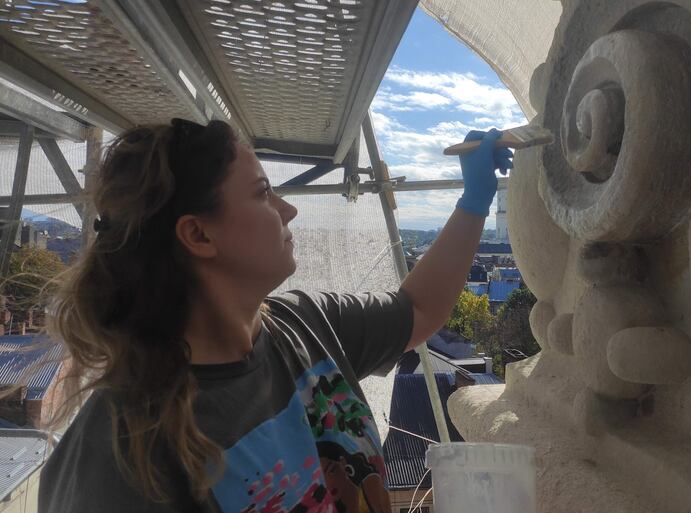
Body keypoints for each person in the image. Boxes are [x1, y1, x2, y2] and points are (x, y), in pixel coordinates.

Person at [38, 118, 512, 513]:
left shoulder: (306, 325)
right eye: (263, 192)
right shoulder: (120, 453)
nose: (288, 210)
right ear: (199, 235)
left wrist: (474, 200)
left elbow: (419, 309)